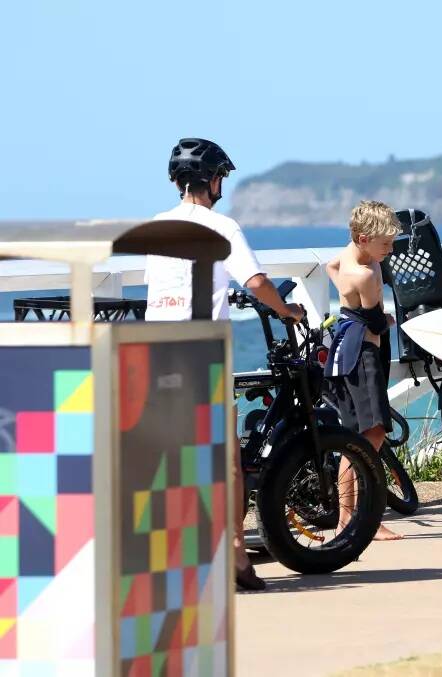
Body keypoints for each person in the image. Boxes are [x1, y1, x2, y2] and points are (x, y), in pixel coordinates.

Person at [145, 138, 305, 591]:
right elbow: (256, 282)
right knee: (226, 462)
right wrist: (285, 310)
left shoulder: (156, 227)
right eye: (221, 179)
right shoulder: (223, 226)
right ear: (212, 180)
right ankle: (235, 556)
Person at [325, 200, 403, 541]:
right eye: (384, 243)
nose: (389, 249)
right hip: (365, 353)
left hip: (343, 348)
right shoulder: (368, 273)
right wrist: (385, 319)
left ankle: (346, 518)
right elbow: (375, 320)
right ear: (362, 238)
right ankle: (366, 517)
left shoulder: (346, 256)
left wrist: (348, 305)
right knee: (373, 435)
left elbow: (330, 267)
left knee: (353, 436)